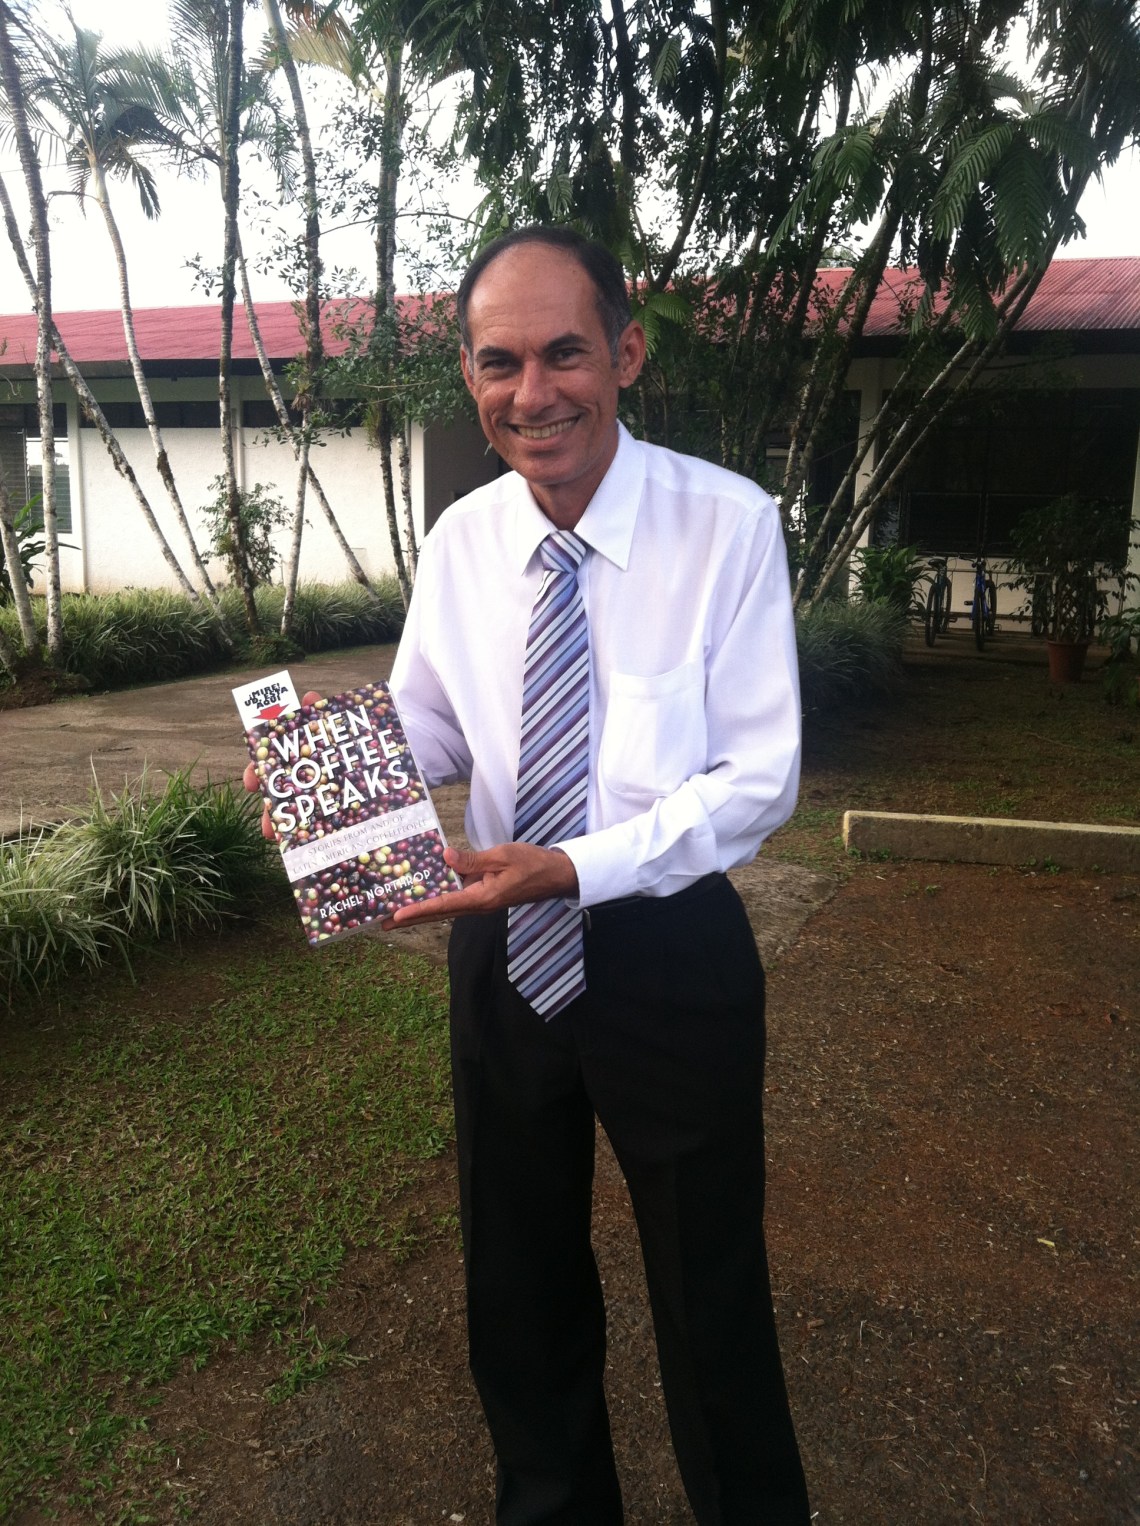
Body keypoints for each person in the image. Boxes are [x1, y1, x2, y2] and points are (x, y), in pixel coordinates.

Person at [255, 224, 810, 1524]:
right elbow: (434, 723)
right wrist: (334, 761)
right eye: (500, 362)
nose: (534, 391)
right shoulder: (460, 542)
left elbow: (758, 778)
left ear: (625, 351)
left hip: (667, 951)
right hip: (502, 956)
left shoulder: (725, 527)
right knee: (519, 1288)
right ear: (469, 375)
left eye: (565, 352)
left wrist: (573, 864)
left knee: (709, 1300)